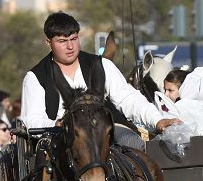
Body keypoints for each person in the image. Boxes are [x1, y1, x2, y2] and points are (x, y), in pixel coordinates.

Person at [21, 12, 178, 137]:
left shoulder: (102, 66)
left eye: (74, 39)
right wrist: (57, 125)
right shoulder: (35, 78)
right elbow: (32, 120)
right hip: (59, 143)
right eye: (62, 41)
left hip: (103, 136)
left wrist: (158, 120)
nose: (70, 46)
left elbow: (128, 98)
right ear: (48, 42)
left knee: (135, 144)